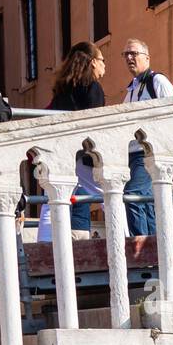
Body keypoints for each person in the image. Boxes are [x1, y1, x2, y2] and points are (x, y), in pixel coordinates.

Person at [40, 41, 106, 241]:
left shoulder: (63, 89)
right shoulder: (93, 88)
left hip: (62, 154)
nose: (105, 65)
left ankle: (44, 245)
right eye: (103, 60)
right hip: (84, 156)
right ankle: (128, 244)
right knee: (112, 196)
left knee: (52, 199)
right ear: (93, 62)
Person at [121, 39, 173, 236]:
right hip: (133, 155)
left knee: (133, 196)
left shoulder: (158, 82)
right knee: (147, 203)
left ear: (147, 57)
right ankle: (153, 250)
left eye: (133, 53)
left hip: (149, 153)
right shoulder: (131, 90)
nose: (129, 58)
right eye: (126, 54)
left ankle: (143, 250)